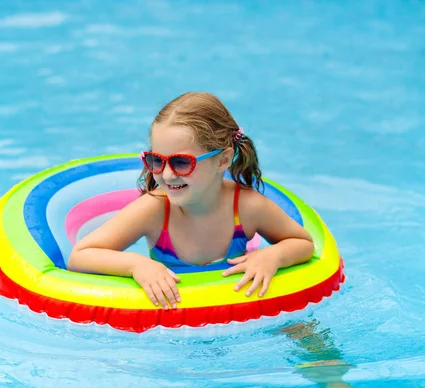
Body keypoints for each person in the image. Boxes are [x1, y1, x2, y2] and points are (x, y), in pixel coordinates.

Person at [67, 92, 314, 310]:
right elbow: (80, 256)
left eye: (182, 162)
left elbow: (302, 242)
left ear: (223, 160)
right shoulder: (154, 210)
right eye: (156, 160)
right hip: (175, 319)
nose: (166, 174)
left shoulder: (247, 207)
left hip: (238, 310)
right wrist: (135, 264)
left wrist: (272, 257)